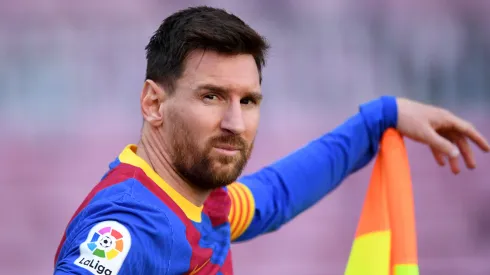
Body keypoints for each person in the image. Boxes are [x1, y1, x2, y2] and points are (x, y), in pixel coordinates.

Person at [53, 6, 489, 275]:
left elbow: (276, 196)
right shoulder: (126, 225)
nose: (235, 122)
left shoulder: (203, 201)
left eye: (248, 100)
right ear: (153, 103)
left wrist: (381, 118)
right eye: (212, 97)